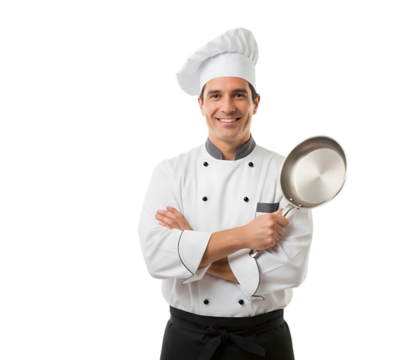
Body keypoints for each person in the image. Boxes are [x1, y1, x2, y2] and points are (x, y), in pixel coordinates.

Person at [136, 26, 314, 360]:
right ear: (201, 104)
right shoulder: (169, 170)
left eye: (238, 94)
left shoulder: (287, 172)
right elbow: (155, 258)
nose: (227, 107)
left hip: (264, 342)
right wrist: (244, 236)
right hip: (187, 343)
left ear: (256, 102)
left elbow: (291, 271)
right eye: (215, 95)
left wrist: (190, 246)